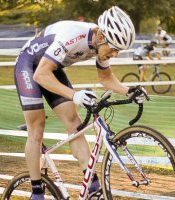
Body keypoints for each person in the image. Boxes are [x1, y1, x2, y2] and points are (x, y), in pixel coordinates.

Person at [14, 6, 146, 200]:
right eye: (114, 49)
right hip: (28, 65)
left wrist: (130, 91)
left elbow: (106, 78)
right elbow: (40, 74)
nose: (115, 55)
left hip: (52, 67)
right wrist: (74, 95)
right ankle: (36, 192)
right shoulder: (73, 36)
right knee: (37, 129)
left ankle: (92, 185)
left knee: (74, 123)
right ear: (101, 37)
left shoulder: (101, 45)